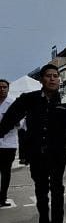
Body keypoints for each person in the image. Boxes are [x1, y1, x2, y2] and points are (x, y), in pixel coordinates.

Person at [0, 64, 66, 223]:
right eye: (48, 75)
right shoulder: (29, 98)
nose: (53, 78)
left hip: (57, 152)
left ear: (59, 79)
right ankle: (44, 215)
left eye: (56, 75)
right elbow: (9, 120)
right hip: (36, 153)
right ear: (41, 80)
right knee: (41, 189)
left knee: (57, 189)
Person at [0, 79, 18, 207]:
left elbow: (21, 123)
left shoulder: (13, 104)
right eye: (0, 87)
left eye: (4, 87)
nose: (2, 89)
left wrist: (12, 121)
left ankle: (3, 197)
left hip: (9, 143)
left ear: (8, 88)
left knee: (6, 171)